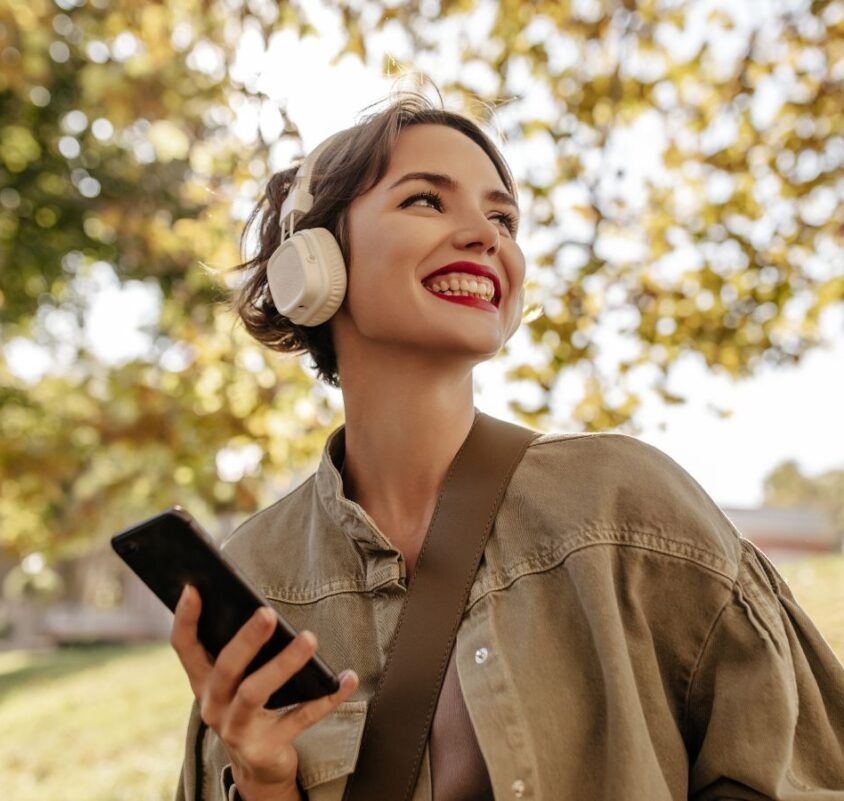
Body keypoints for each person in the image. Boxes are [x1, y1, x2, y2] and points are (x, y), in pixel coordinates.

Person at [168, 85, 844, 801]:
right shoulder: (256, 577)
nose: (486, 235)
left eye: (503, 216)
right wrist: (265, 783)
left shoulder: (628, 505)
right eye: (426, 200)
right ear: (314, 264)